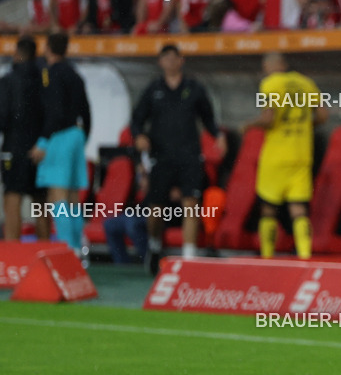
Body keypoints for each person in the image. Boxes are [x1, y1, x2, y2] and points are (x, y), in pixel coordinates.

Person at [130, 44, 226, 274]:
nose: (171, 62)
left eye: (175, 57)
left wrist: (218, 136)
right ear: (160, 62)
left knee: (191, 204)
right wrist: (139, 136)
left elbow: (208, 118)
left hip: (190, 155)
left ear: (181, 60)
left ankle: (189, 256)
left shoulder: (194, 88)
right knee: (155, 210)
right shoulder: (154, 89)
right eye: (166, 58)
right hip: (161, 157)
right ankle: (154, 247)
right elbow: (136, 120)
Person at [245, 53, 326, 260]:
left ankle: (267, 257)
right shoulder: (305, 82)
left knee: (268, 208)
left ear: (271, 66)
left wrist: (249, 125)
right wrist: (306, 127)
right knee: (298, 208)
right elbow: (323, 115)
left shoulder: (271, 83)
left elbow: (269, 118)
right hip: (301, 155)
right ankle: (305, 256)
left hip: (276, 156)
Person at [29, 32, 91, 256]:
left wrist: (43, 141)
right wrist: (84, 137)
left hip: (60, 137)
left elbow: (54, 112)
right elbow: (86, 110)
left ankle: (69, 248)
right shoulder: (75, 74)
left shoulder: (51, 74)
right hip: (77, 134)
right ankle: (79, 245)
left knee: (58, 196)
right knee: (73, 196)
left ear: (47, 48)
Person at [0, 37, 47, 241]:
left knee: (12, 197)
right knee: (40, 202)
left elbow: (2, 116)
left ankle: (12, 254)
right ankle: (45, 249)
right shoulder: (44, 79)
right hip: (40, 149)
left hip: (14, 146)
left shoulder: (8, 80)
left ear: (18, 53)